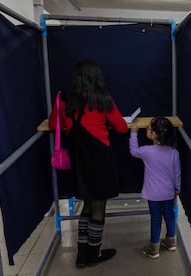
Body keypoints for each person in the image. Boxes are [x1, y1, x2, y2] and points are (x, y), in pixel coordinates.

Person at [48, 59, 128, 268]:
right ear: (97, 78)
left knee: (86, 205)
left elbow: (52, 124)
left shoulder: (63, 99)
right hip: (101, 160)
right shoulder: (103, 100)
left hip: (79, 162)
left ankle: (81, 255)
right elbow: (121, 127)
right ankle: (94, 254)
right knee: (98, 207)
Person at [130, 117, 181, 259]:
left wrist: (133, 133)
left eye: (149, 128)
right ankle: (171, 243)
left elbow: (133, 151)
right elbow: (177, 172)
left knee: (156, 219)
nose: (147, 128)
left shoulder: (147, 151)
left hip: (153, 194)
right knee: (170, 217)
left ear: (155, 135)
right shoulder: (174, 152)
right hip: (169, 193)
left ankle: (154, 249)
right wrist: (178, 187)